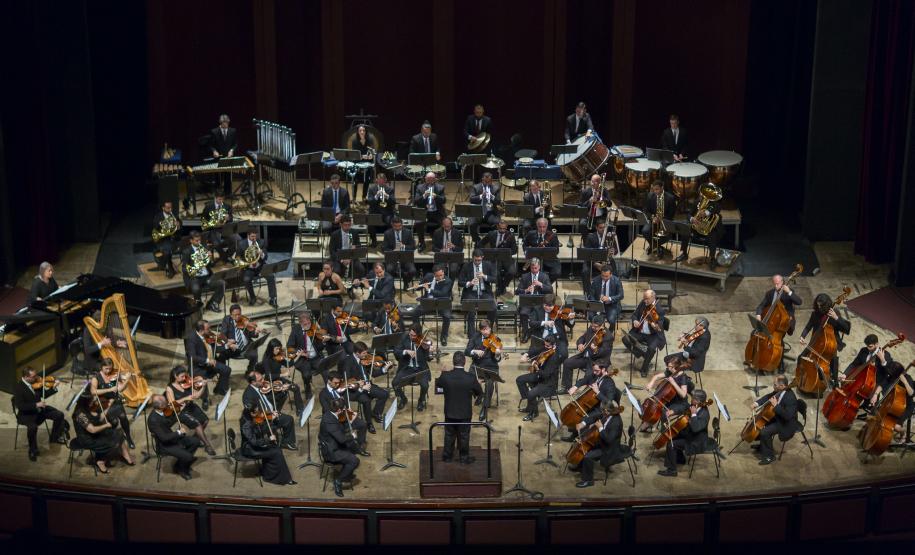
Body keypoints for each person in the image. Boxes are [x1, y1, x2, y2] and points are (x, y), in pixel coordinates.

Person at [437, 352, 483, 464]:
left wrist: (442, 372)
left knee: (449, 435)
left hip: (450, 412)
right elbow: (479, 393)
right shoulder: (471, 378)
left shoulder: (445, 376)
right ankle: (464, 458)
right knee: (464, 436)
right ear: (465, 362)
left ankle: (447, 457)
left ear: (453, 362)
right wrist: (478, 384)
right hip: (465, 414)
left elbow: (439, 385)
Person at [13, 367, 68, 461]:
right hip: (27, 415)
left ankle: (54, 438)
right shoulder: (19, 388)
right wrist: (36, 404)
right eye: (33, 376)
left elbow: (44, 394)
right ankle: (32, 450)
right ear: (26, 377)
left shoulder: (36, 382)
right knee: (32, 428)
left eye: (35, 375)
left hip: (40, 410)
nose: (36, 378)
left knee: (59, 415)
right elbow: (21, 406)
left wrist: (54, 387)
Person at [71, 393, 134, 474]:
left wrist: (109, 406)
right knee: (112, 442)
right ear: (85, 402)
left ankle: (126, 456)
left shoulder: (87, 408)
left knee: (119, 432)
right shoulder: (79, 415)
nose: (94, 402)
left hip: (94, 435)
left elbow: (99, 418)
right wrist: (106, 425)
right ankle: (100, 461)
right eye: (91, 401)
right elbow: (92, 430)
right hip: (88, 439)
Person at [798, 293, 851, 387]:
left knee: (833, 358)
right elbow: (808, 326)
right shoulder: (815, 314)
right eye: (817, 305)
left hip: (830, 342)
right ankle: (799, 377)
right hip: (815, 342)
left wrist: (837, 318)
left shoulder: (833, 314)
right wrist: (802, 336)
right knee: (800, 357)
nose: (819, 308)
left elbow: (846, 329)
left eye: (821, 306)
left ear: (826, 305)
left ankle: (834, 381)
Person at [148, 394, 203, 480]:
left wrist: (179, 411)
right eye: (166, 403)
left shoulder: (162, 410)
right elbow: (164, 438)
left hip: (172, 438)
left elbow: (168, 421)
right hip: (164, 445)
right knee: (188, 457)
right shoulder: (153, 420)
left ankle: (180, 464)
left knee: (196, 441)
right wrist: (179, 432)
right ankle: (182, 469)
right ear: (161, 406)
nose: (169, 404)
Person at [164, 366, 216, 456]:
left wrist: (203, 387)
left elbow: (196, 396)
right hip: (181, 411)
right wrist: (185, 398)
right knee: (197, 424)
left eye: (185, 376)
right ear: (175, 376)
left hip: (190, 406)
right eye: (182, 376)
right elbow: (172, 404)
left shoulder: (187, 382)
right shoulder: (169, 388)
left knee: (205, 421)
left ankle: (196, 439)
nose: (184, 378)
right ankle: (207, 445)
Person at [242, 367, 298, 450]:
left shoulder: (260, 386)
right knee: (274, 438)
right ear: (253, 382)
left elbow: (269, 396)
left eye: (263, 378)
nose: (263, 381)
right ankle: (272, 446)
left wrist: (281, 388)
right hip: (262, 420)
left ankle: (287, 442)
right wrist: (271, 416)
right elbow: (255, 415)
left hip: (271, 411)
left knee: (289, 419)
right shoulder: (248, 396)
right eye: (260, 380)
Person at [239, 404, 296, 486]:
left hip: (255, 446)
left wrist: (271, 419)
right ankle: (282, 479)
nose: (259, 413)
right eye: (256, 412)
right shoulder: (246, 425)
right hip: (250, 449)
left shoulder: (251, 418)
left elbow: (260, 429)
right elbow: (254, 442)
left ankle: (268, 474)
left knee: (274, 447)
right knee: (277, 452)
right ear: (250, 413)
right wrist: (268, 439)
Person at [572, 401, 625, 488]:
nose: (601, 413)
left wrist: (600, 428)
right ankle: (581, 467)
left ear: (607, 411)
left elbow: (609, 440)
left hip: (608, 448)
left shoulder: (616, 423)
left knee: (588, 456)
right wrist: (583, 423)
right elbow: (594, 417)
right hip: (602, 441)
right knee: (584, 444)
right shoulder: (607, 413)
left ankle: (588, 480)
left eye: (602, 411)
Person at [658, 389, 709, 477]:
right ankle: (680, 458)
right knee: (672, 435)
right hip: (690, 435)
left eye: (692, 398)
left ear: (698, 401)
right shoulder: (694, 406)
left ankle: (672, 470)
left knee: (671, 444)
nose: (691, 399)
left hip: (696, 441)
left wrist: (693, 415)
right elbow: (684, 407)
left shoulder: (704, 414)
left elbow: (695, 428)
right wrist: (672, 412)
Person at [341, 341, 390, 430]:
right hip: (355, 390)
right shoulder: (348, 362)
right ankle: (369, 423)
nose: (366, 355)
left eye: (366, 352)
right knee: (366, 401)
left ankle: (375, 413)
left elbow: (373, 373)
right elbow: (347, 381)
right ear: (357, 353)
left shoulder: (364, 360)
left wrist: (384, 369)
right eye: (364, 353)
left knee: (385, 394)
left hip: (368, 385)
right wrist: (360, 387)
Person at [89, 357, 136, 449]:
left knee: (123, 416)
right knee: (114, 421)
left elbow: (120, 388)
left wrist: (127, 379)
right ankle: (113, 439)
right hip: (104, 403)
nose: (108, 370)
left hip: (115, 400)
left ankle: (128, 437)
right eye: (106, 368)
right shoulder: (96, 377)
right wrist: (109, 389)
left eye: (110, 368)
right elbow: (93, 391)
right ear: (101, 367)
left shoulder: (115, 374)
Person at [184, 320, 232, 409]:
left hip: (210, 363)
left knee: (227, 370)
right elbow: (192, 356)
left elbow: (215, 348)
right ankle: (205, 398)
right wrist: (207, 360)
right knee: (202, 379)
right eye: (208, 329)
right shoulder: (191, 339)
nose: (210, 330)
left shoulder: (208, 335)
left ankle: (219, 389)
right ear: (201, 330)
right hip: (198, 366)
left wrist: (226, 345)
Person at [751, 375, 798, 465]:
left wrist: (776, 406)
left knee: (765, 432)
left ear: (782, 386)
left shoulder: (790, 398)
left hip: (786, 424)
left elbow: (787, 416)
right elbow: (768, 397)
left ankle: (769, 456)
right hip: (778, 417)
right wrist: (756, 403)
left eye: (775, 384)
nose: (773, 386)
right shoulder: (779, 391)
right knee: (760, 423)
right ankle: (762, 446)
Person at [640, 353, 693, 433]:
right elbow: (657, 376)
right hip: (669, 399)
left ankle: (663, 430)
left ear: (675, 367)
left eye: (669, 367)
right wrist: (651, 383)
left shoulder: (683, 377)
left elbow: (683, 394)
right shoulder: (670, 371)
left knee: (664, 413)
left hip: (679, 403)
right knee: (653, 407)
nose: (667, 368)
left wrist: (673, 383)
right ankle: (649, 422)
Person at [320, 397, 362, 497]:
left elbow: (341, 427)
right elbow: (342, 439)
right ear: (338, 410)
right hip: (331, 451)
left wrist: (351, 419)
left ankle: (347, 472)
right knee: (355, 461)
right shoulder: (329, 422)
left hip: (335, 443)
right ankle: (338, 480)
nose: (345, 411)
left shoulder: (331, 414)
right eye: (344, 409)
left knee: (354, 447)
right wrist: (352, 435)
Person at [673, 190, 724, 271]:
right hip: (697, 228)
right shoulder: (697, 202)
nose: (703, 196)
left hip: (710, 229)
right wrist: (692, 219)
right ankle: (684, 253)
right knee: (685, 229)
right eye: (702, 194)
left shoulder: (715, 203)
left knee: (712, 235)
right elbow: (689, 214)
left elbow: (717, 209)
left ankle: (712, 258)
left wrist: (706, 213)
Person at [318, 371, 370, 449]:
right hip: (336, 420)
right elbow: (328, 411)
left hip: (346, 414)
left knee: (363, 424)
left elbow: (352, 396)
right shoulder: (323, 394)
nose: (338, 385)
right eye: (335, 383)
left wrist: (360, 389)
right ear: (329, 381)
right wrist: (346, 416)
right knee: (344, 434)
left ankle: (361, 444)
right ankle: (350, 446)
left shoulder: (340, 389)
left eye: (339, 383)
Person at [561, 314, 613, 392]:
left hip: (597, 360)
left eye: (596, 327)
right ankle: (566, 388)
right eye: (592, 325)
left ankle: (585, 394)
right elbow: (582, 338)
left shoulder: (608, 336)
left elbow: (605, 352)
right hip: (585, 357)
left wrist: (595, 350)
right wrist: (580, 344)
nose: (593, 328)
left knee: (589, 375)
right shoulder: (591, 329)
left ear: (602, 326)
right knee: (567, 362)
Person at [622, 289, 667, 378]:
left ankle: (644, 368)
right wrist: (635, 320)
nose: (645, 300)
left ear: (653, 297)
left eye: (647, 299)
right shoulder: (643, 303)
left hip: (653, 335)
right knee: (625, 339)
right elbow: (635, 314)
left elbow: (660, 326)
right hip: (640, 331)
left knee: (651, 349)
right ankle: (644, 354)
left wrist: (656, 326)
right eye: (644, 298)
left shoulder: (660, 310)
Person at [566, 364, 619, 439]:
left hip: (600, 408)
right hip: (590, 404)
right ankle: (574, 434)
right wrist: (575, 387)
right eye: (593, 370)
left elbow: (609, 403)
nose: (594, 372)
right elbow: (584, 380)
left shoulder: (610, 384)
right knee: (575, 412)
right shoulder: (596, 375)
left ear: (603, 369)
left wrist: (598, 392)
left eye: (596, 371)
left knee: (582, 418)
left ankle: (581, 438)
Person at [465, 320, 502, 421]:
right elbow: (466, 351)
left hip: (491, 366)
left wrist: (498, 354)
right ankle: (480, 394)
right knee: (468, 380)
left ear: (490, 328)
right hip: (477, 365)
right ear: (480, 330)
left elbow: (497, 360)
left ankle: (484, 408)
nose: (485, 332)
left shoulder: (496, 339)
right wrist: (474, 351)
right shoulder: (475, 337)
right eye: (483, 330)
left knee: (489, 383)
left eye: (487, 329)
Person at [517, 337, 560, 421]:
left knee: (531, 393)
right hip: (539, 376)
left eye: (547, 346)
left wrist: (537, 368)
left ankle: (534, 412)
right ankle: (530, 406)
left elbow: (546, 375)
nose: (545, 347)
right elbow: (535, 350)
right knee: (519, 380)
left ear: (553, 346)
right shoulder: (546, 348)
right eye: (545, 345)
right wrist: (526, 354)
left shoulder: (554, 358)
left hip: (548, 383)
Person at [181, 230, 225, 312]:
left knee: (221, 283)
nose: (199, 242)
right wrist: (195, 267)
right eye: (196, 241)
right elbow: (184, 268)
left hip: (206, 276)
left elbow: (211, 265)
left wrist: (210, 258)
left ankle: (212, 303)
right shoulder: (186, 251)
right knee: (196, 289)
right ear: (191, 241)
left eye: (199, 240)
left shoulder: (205, 248)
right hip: (194, 277)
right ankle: (199, 306)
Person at [261, 338, 306, 417]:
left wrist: (298, 355)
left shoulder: (278, 356)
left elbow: (289, 364)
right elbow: (268, 375)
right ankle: (276, 413)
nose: (279, 350)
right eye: (277, 349)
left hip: (279, 379)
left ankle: (300, 410)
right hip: (270, 382)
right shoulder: (266, 359)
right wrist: (283, 374)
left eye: (279, 348)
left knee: (296, 387)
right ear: (271, 349)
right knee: (283, 394)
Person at [393, 324, 433, 412]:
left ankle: (421, 400)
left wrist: (429, 352)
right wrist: (406, 351)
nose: (412, 337)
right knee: (395, 383)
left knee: (425, 385)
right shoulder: (404, 337)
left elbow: (428, 359)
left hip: (420, 369)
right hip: (407, 368)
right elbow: (396, 351)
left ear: (418, 334)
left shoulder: (423, 341)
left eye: (414, 336)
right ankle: (403, 399)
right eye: (410, 334)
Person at [458, 249, 498, 334]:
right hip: (471, 292)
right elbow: (460, 282)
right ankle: (471, 335)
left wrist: (484, 276)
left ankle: (487, 330)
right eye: (475, 260)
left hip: (485, 292)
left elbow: (495, 279)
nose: (477, 262)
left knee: (493, 308)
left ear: (482, 257)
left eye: (479, 260)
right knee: (471, 310)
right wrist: (469, 283)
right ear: (472, 258)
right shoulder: (466, 266)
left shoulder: (488, 265)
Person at [236, 229, 277, 308]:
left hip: (260, 266)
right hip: (249, 268)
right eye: (252, 236)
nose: (254, 238)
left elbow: (266, 257)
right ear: (248, 236)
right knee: (246, 280)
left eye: (255, 236)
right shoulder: (241, 244)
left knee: (271, 276)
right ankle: (252, 297)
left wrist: (262, 254)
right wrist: (245, 264)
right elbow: (237, 258)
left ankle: (273, 298)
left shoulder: (261, 242)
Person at [515, 258, 554, 341]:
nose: (534, 270)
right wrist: (526, 290)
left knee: (541, 313)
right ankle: (526, 333)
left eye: (536, 268)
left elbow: (550, 290)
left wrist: (541, 284)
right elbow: (517, 291)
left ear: (539, 267)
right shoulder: (525, 277)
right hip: (528, 302)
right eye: (532, 268)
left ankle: (539, 331)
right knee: (523, 313)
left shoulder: (544, 276)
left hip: (541, 303)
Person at [478, 218, 517, 296]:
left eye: (504, 229)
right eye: (500, 228)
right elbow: (481, 244)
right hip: (494, 257)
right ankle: (500, 287)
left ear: (506, 228)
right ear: (497, 227)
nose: (502, 230)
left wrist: (507, 253)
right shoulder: (491, 234)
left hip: (506, 258)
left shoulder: (510, 236)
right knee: (496, 273)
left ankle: (502, 286)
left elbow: (514, 250)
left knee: (512, 271)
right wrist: (485, 252)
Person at [286, 311, 322, 396]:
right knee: (306, 375)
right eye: (305, 324)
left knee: (325, 369)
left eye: (309, 323)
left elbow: (320, 347)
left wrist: (323, 341)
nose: (308, 326)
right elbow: (289, 347)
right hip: (303, 359)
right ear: (300, 323)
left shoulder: (313, 328)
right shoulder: (296, 330)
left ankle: (329, 389)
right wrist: (300, 353)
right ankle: (307, 387)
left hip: (315, 357)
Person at [416, 265, 453, 346]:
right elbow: (419, 286)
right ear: (434, 274)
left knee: (447, 316)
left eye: (441, 275)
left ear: (443, 272)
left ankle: (444, 336)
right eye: (437, 276)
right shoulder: (429, 276)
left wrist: (429, 289)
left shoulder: (448, 281)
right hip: (428, 302)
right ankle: (418, 335)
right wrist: (419, 286)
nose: (440, 277)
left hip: (442, 303)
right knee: (415, 312)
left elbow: (442, 293)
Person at [219, 304, 262, 372]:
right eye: (235, 315)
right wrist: (228, 343)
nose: (238, 316)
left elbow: (252, 334)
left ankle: (249, 372)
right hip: (233, 347)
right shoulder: (227, 320)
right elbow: (222, 334)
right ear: (231, 315)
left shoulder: (245, 320)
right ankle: (224, 372)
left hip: (246, 346)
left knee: (254, 355)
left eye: (239, 314)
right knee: (221, 355)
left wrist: (256, 332)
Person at [528, 294, 572, 360]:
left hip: (558, 339)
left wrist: (571, 319)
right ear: (543, 303)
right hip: (542, 339)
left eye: (550, 306)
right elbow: (531, 323)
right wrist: (544, 323)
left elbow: (570, 325)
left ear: (554, 304)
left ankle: (554, 367)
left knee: (563, 355)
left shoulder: (559, 311)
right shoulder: (536, 309)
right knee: (535, 357)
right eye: (545, 305)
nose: (547, 308)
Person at [641, 180, 677, 256]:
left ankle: (653, 246)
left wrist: (661, 219)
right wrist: (653, 217)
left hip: (665, 221)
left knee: (666, 236)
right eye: (654, 189)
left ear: (662, 188)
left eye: (657, 189)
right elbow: (645, 210)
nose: (655, 191)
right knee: (645, 231)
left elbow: (671, 215)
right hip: (653, 220)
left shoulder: (670, 198)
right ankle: (657, 247)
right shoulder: (650, 196)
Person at [580, 220, 618, 291]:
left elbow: (616, 251)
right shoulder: (590, 237)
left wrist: (613, 251)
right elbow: (587, 254)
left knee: (615, 272)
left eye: (604, 228)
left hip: (606, 260)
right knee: (585, 271)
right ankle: (587, 293)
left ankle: (613, 291)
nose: (603, 230)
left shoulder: (610, 236)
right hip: (592, 261)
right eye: (601, 228)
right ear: (597, 228)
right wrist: (595, 264)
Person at [414, 172, 447, 250]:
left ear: (435, 179)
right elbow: (416, 201)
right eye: (428, 179)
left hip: (437, 212)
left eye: (432, 179)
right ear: (425, 179)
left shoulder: (440, 187)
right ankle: (421, 243)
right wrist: (424, 196)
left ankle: (439, 242)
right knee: (418, 223)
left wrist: (436, 196)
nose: (429, 181)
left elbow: (444, 200)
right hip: (425, 212)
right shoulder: (420, 187)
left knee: (445, 223)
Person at [522, 218, 561, 283]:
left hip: (549, 259)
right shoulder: (530, 234)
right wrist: (527, 252)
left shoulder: (553, 236)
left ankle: (546, 284)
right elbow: (524, 245)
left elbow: (556, 251)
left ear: (547, 226)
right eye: (540, 227)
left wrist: (546, 249)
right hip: (534, 259)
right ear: (537, 226)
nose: (542, 229)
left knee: (557, 272)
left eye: (544, 227)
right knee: (526, 271)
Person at [468, 172, 503, 244]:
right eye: (485, 181)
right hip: (478, 212)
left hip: (490, 213)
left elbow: (498, 202)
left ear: (491, 181)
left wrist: (492, 196)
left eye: (489, 182)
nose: (487, 183)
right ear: (482, 180)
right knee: (472, 224)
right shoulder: (475, 187)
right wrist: (481, 196)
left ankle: (492, 240)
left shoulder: (496, 188)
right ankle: (477, 240)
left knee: (497, 223)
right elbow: (471, 199)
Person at [328, 215, 365, 281]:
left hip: (351, 256)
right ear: (340, 224)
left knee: (360, 268)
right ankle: (338, 287)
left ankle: (354, 285)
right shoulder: (334, 234)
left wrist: (355, 247)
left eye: (349, 225)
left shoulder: (354, 233)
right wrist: (342, 260)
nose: (348, 227)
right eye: (345, 225)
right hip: (339, 256)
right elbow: (332, 251)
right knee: (336, 270)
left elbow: (359, 245)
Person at [382, 217, 417, 284]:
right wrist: (393, 251)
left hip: (406, 258)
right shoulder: (387, 233)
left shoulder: (408, 232)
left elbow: (413, 246)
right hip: (393, 258)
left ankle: (406, 282)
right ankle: (391, 285)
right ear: (392, 225)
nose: (398, 228)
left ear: (402, 225)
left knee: (412, 271)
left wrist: (404, 246)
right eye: (395, 226)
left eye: (399, 226)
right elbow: (384, 248)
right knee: (389, 270)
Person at [200, 193, 234, 262]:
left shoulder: (227, 206)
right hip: (212, 229)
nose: (221, 201)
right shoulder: (208, 206)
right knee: (216, 244)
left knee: (236, 240)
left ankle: (226, 256)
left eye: (222, 199)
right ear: (215, 198)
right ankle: (224, 258)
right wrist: (210, 224)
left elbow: (231, 218)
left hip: (224, 228)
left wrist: (229, 218)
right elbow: (203, 219)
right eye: (219, 199)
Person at [588, 264, 623, 330]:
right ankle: (598, 329)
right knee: (591, 316)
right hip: (598, 304)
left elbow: (621, 295)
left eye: (606, 276)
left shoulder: (617, 281)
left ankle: (610, 330)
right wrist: (595, 303)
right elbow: (591, 295)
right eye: (602, 276)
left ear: (611, 274)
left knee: (611, 319)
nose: (604, 278)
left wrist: (609, 298)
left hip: (611, 305)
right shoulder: (595, 280)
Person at [152, 200, 182, 278]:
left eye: (171, 208)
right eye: (168, 208)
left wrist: (178, 225)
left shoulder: (173, 214)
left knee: (186, 244)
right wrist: (166, 225)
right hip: (163, 239)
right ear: (163, 208)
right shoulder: (158, 216)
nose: (170, 210)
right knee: (167, 251)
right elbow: (156, 227)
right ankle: (170, 268)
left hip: (174, 238)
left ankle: (162, 265)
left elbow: (179, 225)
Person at [209, 114, 237, 195]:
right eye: (224, 124)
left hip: (228, 157)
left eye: (227, 123)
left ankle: (228, 193)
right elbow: (211, 145)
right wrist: (214, 151)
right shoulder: (214, 131)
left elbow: (235, 144)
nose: (225, 125)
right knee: (217, 177)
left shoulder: (233, 131)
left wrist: (232, 150)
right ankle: (218, 194)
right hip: (218, 158)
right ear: (220, 123)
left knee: (227, 176)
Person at [366, 172, 395, 247]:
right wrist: (376, 196)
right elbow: (369, 201)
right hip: (375, 212)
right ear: (376, 180)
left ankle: (387, 241)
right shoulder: (372, 188)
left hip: (387, 212)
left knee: (390, 223)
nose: (381, 183)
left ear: (385, 180)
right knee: (370, 224)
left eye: (383, 181)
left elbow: (393, 202)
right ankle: (374, 241)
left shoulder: (390, 189)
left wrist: (387, 196)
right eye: (379, 181)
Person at [352, 124, 375, 199]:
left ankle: (364, 197)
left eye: (363, 130)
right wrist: (362, 156)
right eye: (360, 130)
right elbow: (354, 155)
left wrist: (371, 155)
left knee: (367, 181)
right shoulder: (355, 141)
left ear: (365, 132)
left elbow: (372, 151)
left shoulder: (370, 140)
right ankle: (354, 198)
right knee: (355, 181)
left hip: (367, 163)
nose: (362, 132)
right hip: (357, 163)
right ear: (358, 132)